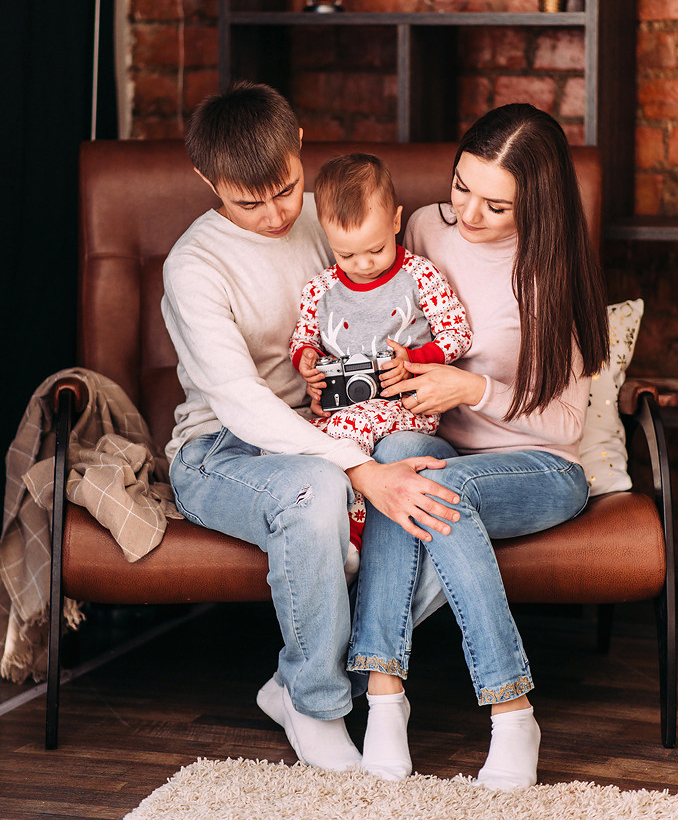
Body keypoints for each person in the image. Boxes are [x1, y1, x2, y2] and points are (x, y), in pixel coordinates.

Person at [160, 81, 462, 773]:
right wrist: (353, 465)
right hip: (220, 449)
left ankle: (292, 683)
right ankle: (319, 705)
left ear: (300, 149)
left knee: (441, 489)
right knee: (315, 492)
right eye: (247, 200)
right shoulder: (194, 266)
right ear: (208, 181)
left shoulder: (328, 220)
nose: (273, 215)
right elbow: (238, 401)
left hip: (332, 427)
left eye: (287, 190)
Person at [345, 103, 610, 788]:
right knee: (403, 465)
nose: (467, 214)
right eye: (461, 186)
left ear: (536, 204)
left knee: (431, 486)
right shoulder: (423, 227)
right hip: (439, 450)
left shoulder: (550, 269)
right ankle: (385, 703)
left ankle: (511, 709)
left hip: (538, 467)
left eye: (496, 205)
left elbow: (563, 426)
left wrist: (469, 390)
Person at [289, 153, 472, 569]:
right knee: (293, 446)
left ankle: (351, 540)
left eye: (374, 250)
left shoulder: (419, 275)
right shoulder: (321, 289)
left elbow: (457, 332)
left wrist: (415, 359)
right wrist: (308, 363)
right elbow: (303, 336)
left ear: (395, 222)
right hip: (339, 409)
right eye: (346, 255)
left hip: (405, 405)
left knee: (346, 437)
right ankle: (320, 532)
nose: (364, 264)